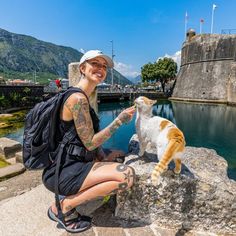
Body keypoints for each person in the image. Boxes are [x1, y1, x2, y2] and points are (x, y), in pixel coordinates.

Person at [42, 50, 136, 233]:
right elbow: (90, 143)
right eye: (95, 64)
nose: (100, 69)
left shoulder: (80, 95)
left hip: (69, 162)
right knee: (127, 176)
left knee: (119, 155)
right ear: (83, 68)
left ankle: (73, 195)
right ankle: (64, 207)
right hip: (64, 171)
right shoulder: (77, 99)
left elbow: (83, 140)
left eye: (104, 66)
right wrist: (119, 121)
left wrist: (102, 155)